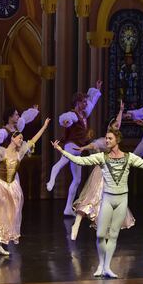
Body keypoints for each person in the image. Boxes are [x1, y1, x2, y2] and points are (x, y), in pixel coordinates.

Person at [52, 130, 143, 278]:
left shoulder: (129, 157)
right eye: (106, 138)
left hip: (121, 200)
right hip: (108, 199)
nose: (106, 141)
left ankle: (107, 267)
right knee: (101, 234)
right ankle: (101, 265)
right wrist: (61, 150)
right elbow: (80, 161)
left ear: (117, 140)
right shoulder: (102, 157)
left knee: (113, 235)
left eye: (109, 138)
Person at [0, 118, 52, 255]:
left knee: (8, 216)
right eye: (19, 138)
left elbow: (34, 140)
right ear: (13, 138)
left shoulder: (21, 152)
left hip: (12, 187)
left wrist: (44, 126)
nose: (21, 140)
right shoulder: (3, 151)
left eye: (22, 138)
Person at [70, 100, 130, 240]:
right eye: (115, 126)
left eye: (117, 126)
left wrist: (121, 110)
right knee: (89, 200)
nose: (117, 127)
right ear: (109, 127)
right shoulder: (105, 140)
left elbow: (118, 123)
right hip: (101, 173)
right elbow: (93, 145)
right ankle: (76, 225)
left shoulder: (114, 138)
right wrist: (83, 148)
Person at [46, 80, 103, 215]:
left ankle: (67, 209)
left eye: (85, 102)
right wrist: (65, 122)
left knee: (77, 179)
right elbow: (67, 118)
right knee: (62, 162)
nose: (85, 103)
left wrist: (96, 89)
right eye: (83, 102)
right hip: (71, 145)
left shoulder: (84, 114)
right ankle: (51, 180)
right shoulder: (74, 114)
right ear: (77, 103)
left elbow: (92, 103)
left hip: (78, 148)